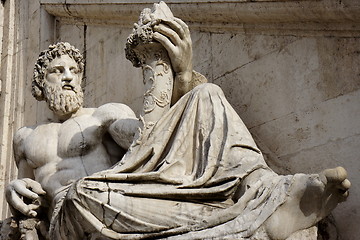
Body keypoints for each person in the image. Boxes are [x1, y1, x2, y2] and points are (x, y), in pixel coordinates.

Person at [6, 3, 350, 239]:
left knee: (207, 93)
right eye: (57, 71)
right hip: (70, 214)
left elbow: (152, 139)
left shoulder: (103, 115)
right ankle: (248, 220)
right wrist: (14, 190)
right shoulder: (25, 137)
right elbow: (25, 201)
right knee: (81, 194)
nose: (68, 77)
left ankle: (265, 194)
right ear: (40, 84)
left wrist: (181, 74)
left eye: (74, 71)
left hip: (116, 192)